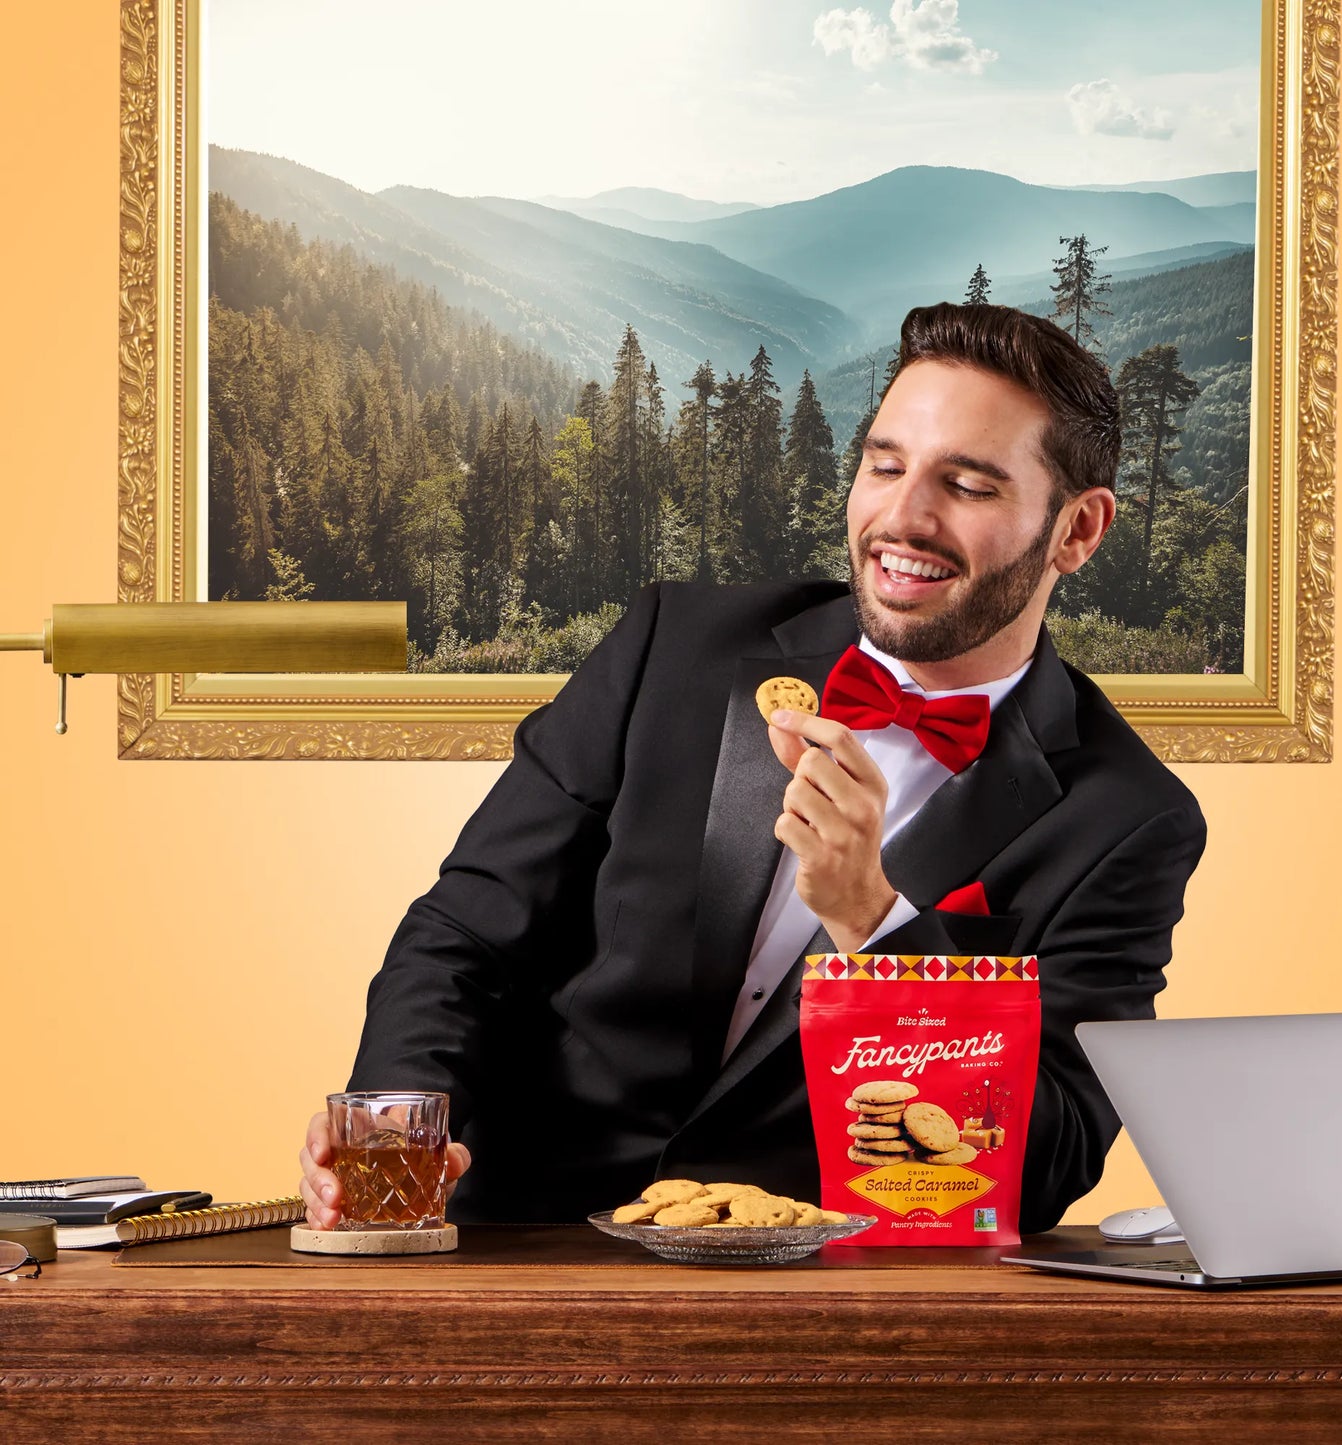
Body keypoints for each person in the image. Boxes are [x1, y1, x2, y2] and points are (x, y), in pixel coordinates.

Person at [299, 303, 1206, 1234]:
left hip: (819, 1305)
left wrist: (876, 925)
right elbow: (469, 931)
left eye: (968, 485)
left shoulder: (1127, 820)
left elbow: (1045, 1166)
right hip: (517, 1237)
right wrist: (394, 1120)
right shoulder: (673, 643)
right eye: (883, 466)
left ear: (1078, 530)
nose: (901, 517)